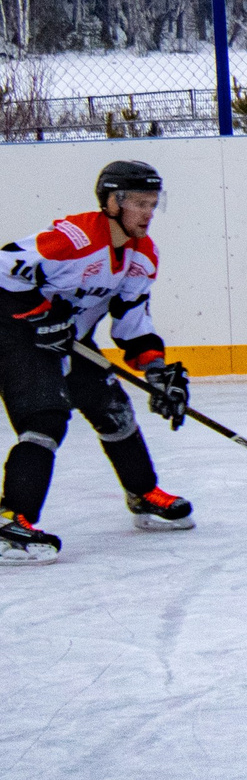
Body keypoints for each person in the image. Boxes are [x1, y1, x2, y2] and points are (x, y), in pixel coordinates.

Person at [0, 160, 194, 563]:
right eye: (140, 203)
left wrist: (157, 369)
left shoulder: (143, 255)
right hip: (17, 333)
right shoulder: (72, 239)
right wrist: (39, 314)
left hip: (72, 339)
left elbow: (132, 321)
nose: (148, 213)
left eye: (153, 204)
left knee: (115, 410)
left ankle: (143, 494)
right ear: (111, 202)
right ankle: (10, 517)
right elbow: (4, 270)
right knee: (45, 418)